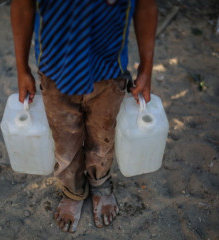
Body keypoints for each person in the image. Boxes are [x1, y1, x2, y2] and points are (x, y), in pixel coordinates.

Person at [10, 0, 157, 233]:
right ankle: (73, 189)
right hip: (56, 71)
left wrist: (146, 69)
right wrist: (22, 70)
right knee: (65, 142)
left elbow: (146, 6)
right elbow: (22, 5)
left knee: (103, 138)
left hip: (108, 70)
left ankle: (99, 183)